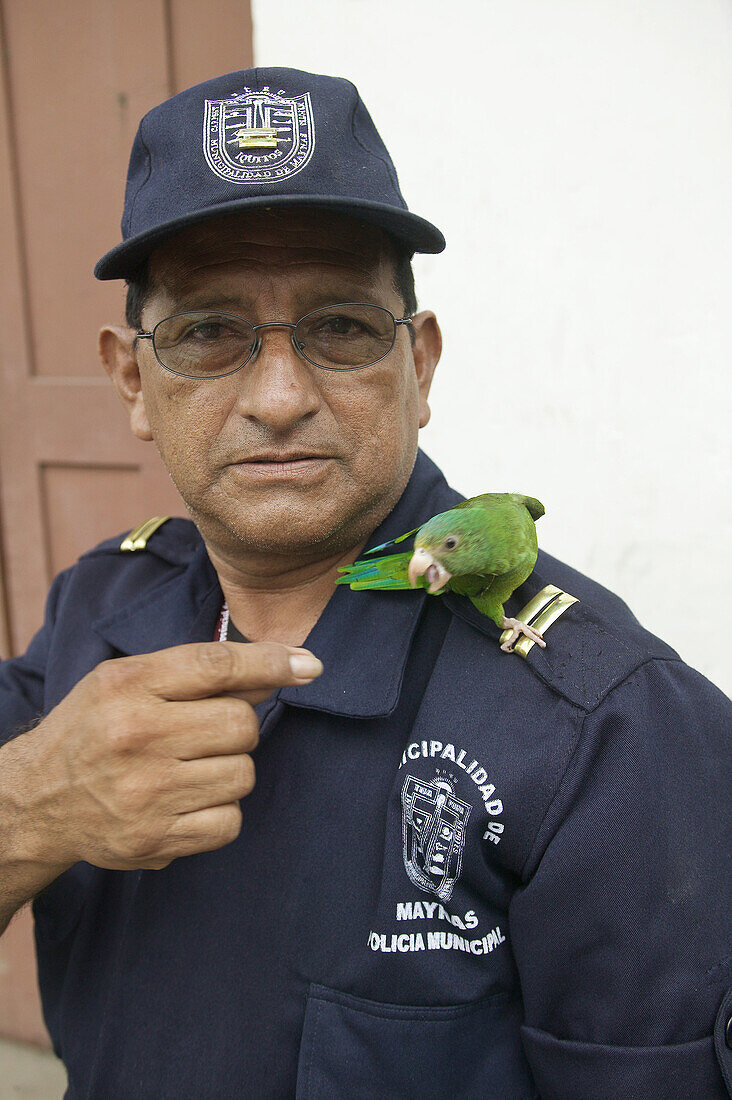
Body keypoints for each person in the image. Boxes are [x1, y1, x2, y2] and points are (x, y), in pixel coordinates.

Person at [0, 66, 729, 1100]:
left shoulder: (614, 732)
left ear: (420, 366)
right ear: (132, 380)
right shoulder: (94, 611)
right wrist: (29, 810)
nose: (282, 394)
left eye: (340, 327)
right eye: (210, 333)